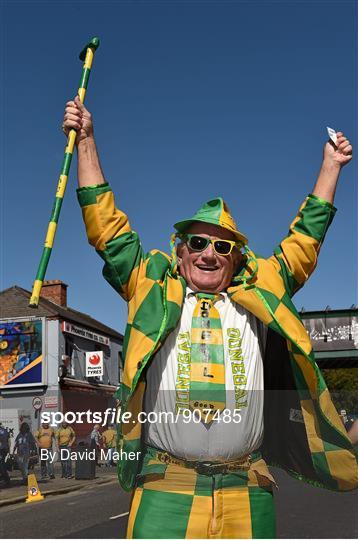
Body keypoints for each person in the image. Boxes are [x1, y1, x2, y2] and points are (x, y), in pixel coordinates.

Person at [63, 97, 358, 539]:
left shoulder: (261, 291)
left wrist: (331, 167)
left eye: (222, 247)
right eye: (198, 242)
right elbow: (107, 228)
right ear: (180, 250)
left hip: (248, 489)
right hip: (167, 489)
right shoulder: (152, 286)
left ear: (237, 257)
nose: (208, 253)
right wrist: (86, 139)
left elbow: (303, 242)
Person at [0, 422, 11, 486]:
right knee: (2, 463)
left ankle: (6, 480)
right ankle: (5, 479)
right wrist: (8, 450)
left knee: (1, 465)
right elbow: (9, 441)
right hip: (5, 449)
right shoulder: (5, 431)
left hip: (1, 450)